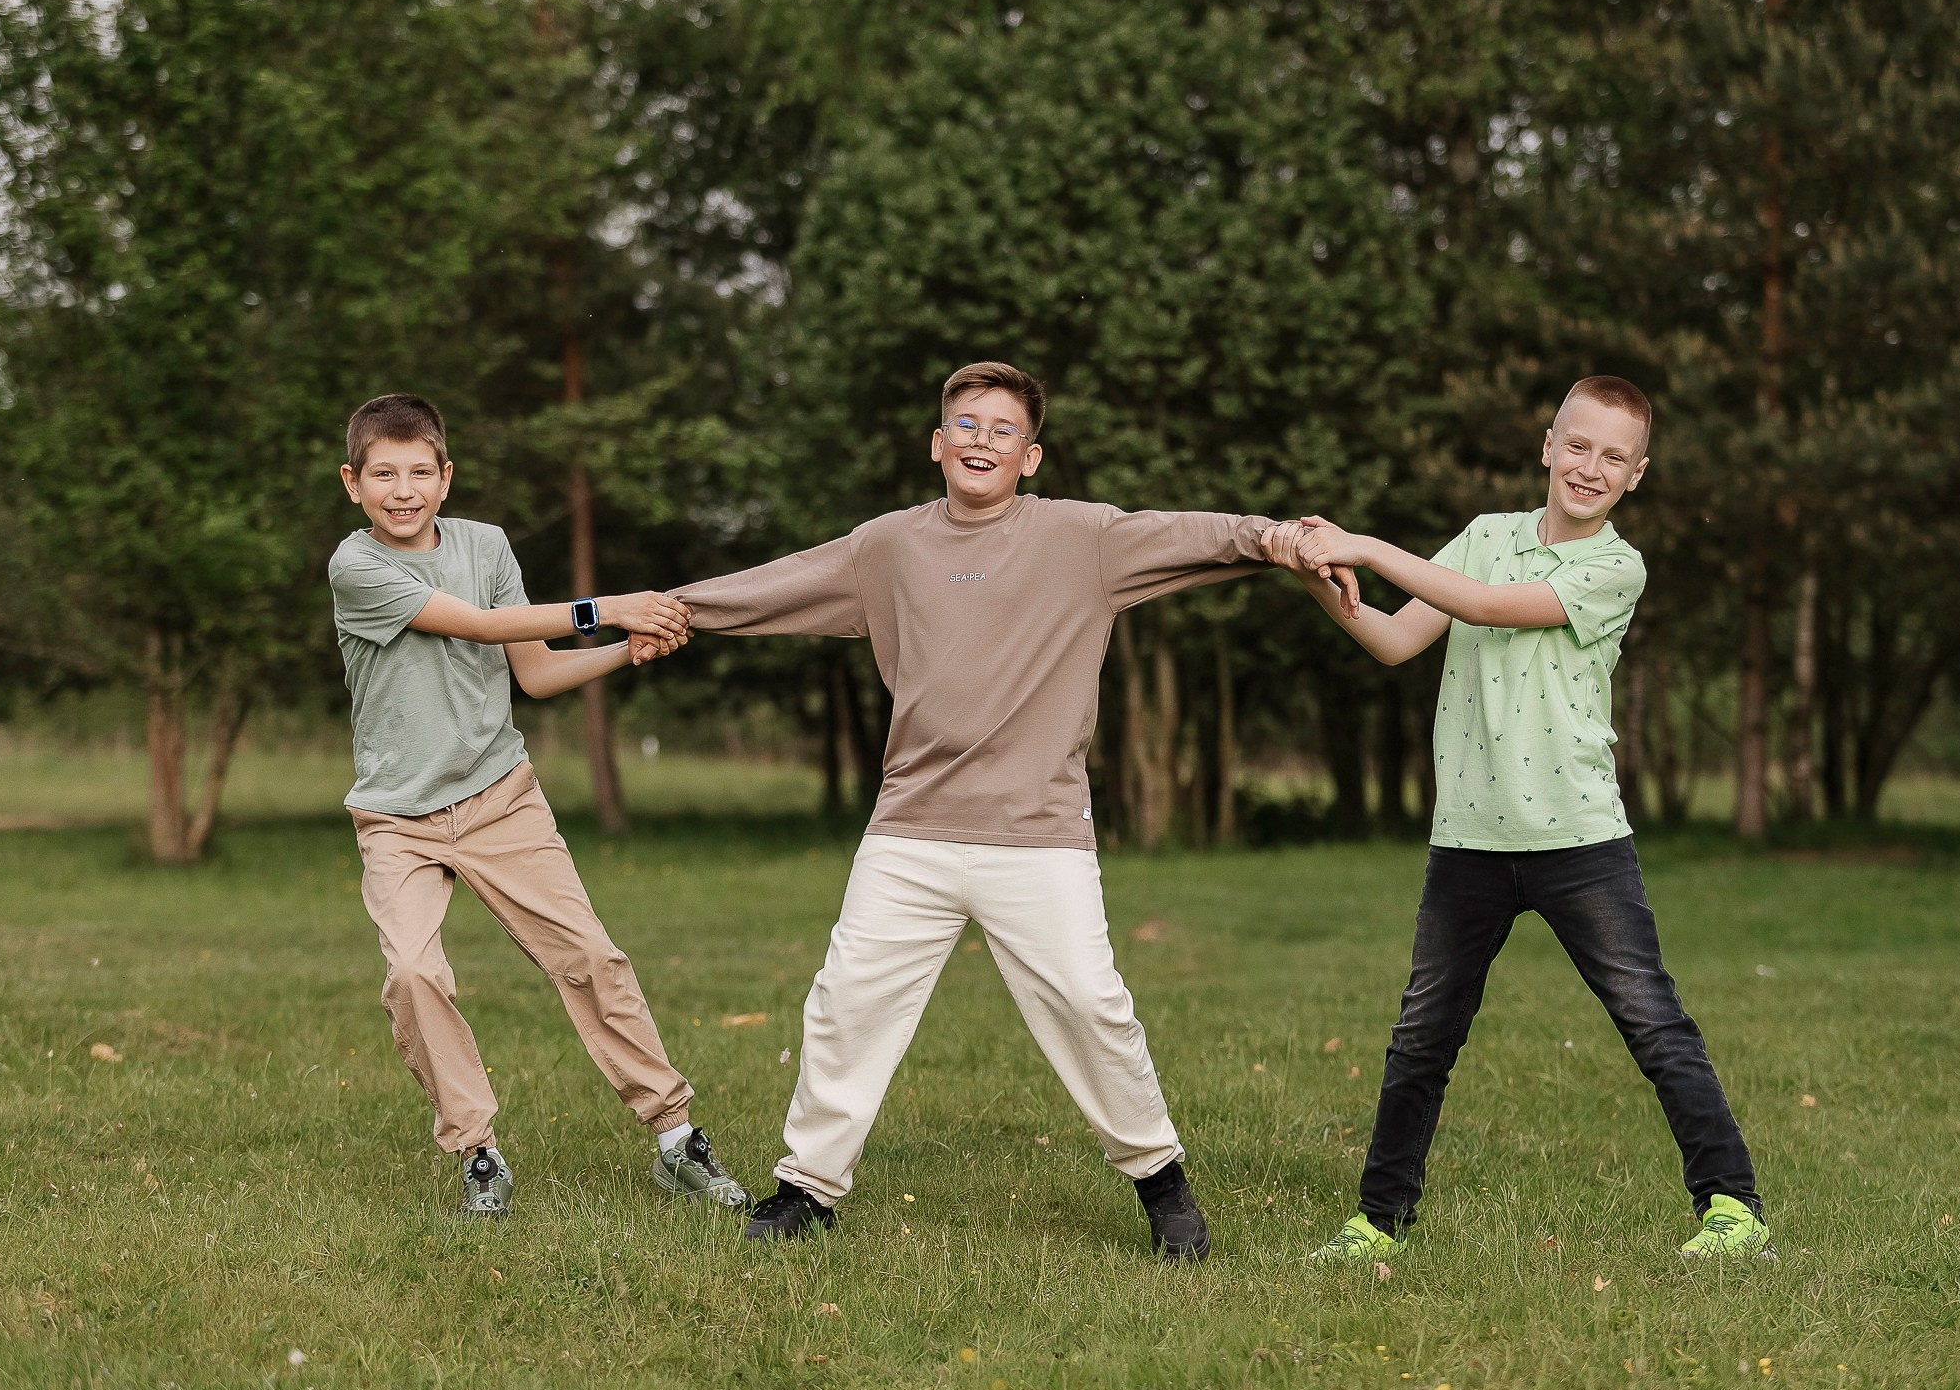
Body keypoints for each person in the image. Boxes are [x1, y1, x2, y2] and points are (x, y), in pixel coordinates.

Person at [641, 362, 1304, 1259]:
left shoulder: (1084, 538)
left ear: (1031, 458)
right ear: (936, 444)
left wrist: (1275, 538)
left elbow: (1197, 535)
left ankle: (1162, 1184)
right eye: (966, 424)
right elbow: (780, 584)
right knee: (847, 1004)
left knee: (1089, 1004)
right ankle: (807, 1190)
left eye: (1003, 430)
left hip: (1037, 834)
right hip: (909, 828)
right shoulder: (886, 548)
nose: (981, 440)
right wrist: (674, 611)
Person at [1283, 376, 1771, 1263]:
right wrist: (1321, 575)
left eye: (1614, 457)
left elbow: (1486, 607)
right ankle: (1378, 1224)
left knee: (1654, 1024)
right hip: (1468, 840)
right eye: (1577, 446)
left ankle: (1733, 1208)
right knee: (1421, 1040)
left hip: (1579, 838)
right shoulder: (1483, 538)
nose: (1590, 467)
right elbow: (1393, 640)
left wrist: (1366, 543)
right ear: (1548, 445)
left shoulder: (1616, 567)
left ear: (1636, 475)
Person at [329, 392, 751, 1216]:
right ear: (353, 483)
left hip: (500, 799)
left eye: (419, 472)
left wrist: (624, 648)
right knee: (413, 973)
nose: (403, 490)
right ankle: (478, 1153)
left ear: (446, 477)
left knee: (590, 957)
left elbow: (536, 669)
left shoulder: (485, 545)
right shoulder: (357, 567)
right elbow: (478, 627)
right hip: (398, 819)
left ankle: (675, 1139)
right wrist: (609, 607)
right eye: (383, 474)